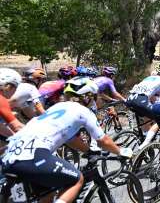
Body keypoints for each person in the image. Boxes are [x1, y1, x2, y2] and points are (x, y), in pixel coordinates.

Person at [1, 77, 132, 203]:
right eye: (94, 96)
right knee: (77, 179)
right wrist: (121, 151)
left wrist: (89, 151)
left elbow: (70, 139)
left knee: (49, 192)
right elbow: (103, 140)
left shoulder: (57, 107)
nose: (95, 100)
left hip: (10, 156)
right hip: (33, 156)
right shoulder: (83, 111)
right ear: (87, 97)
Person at [127, 63, 160, 150]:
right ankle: (147, 143)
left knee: (146, 117)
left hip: (129, 99)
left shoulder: (148, 78)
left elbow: (151, 94)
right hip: (140, 100)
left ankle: (145, 135)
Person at [0, 68, 24, 137]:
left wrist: (12, 136)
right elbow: (17, 127)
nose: (16, 91)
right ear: (9, 87)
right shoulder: (1, 99)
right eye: (16, 88)